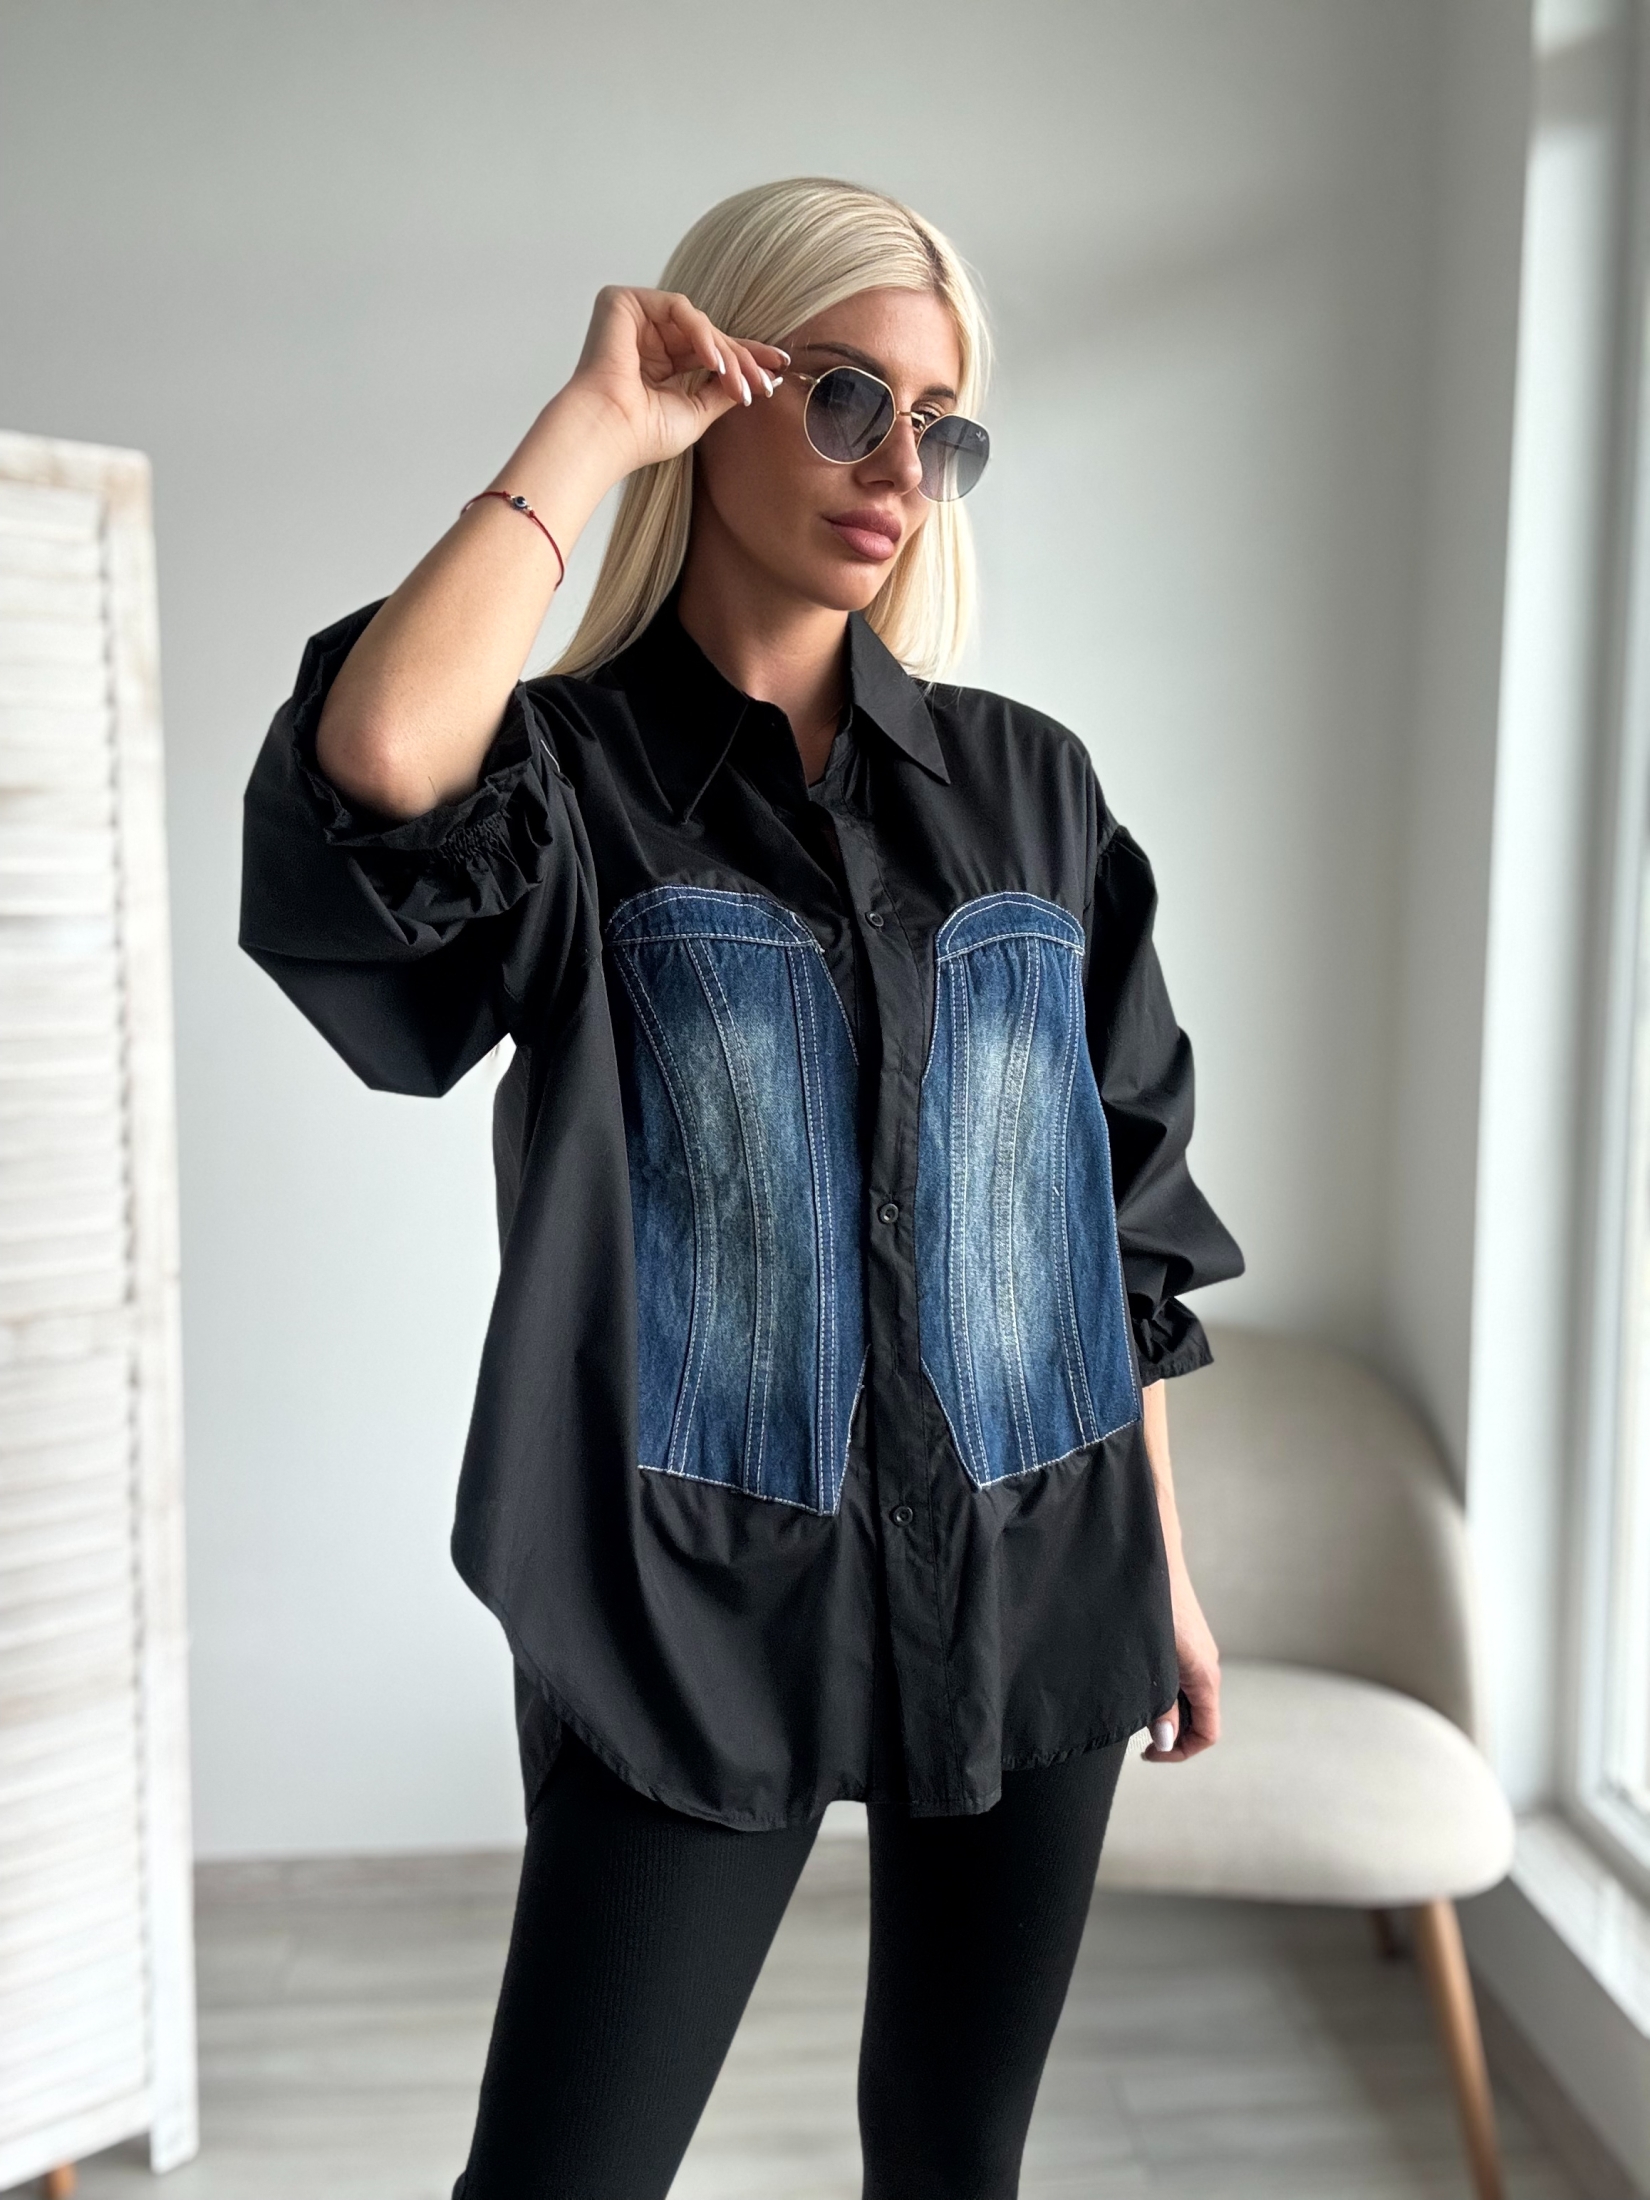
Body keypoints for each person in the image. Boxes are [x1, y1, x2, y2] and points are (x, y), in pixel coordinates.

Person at [239, 174, 1244, 2200]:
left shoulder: (1032, 789)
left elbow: (1116, 1218)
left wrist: (1166, 1565)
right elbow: (377, 781)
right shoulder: (570, 777)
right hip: (691, 1599)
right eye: (847, 396)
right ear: (728, 387)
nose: (896, 469)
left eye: (937, 428)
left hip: (1037, 1570)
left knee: (954, 2157)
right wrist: (595, 422)